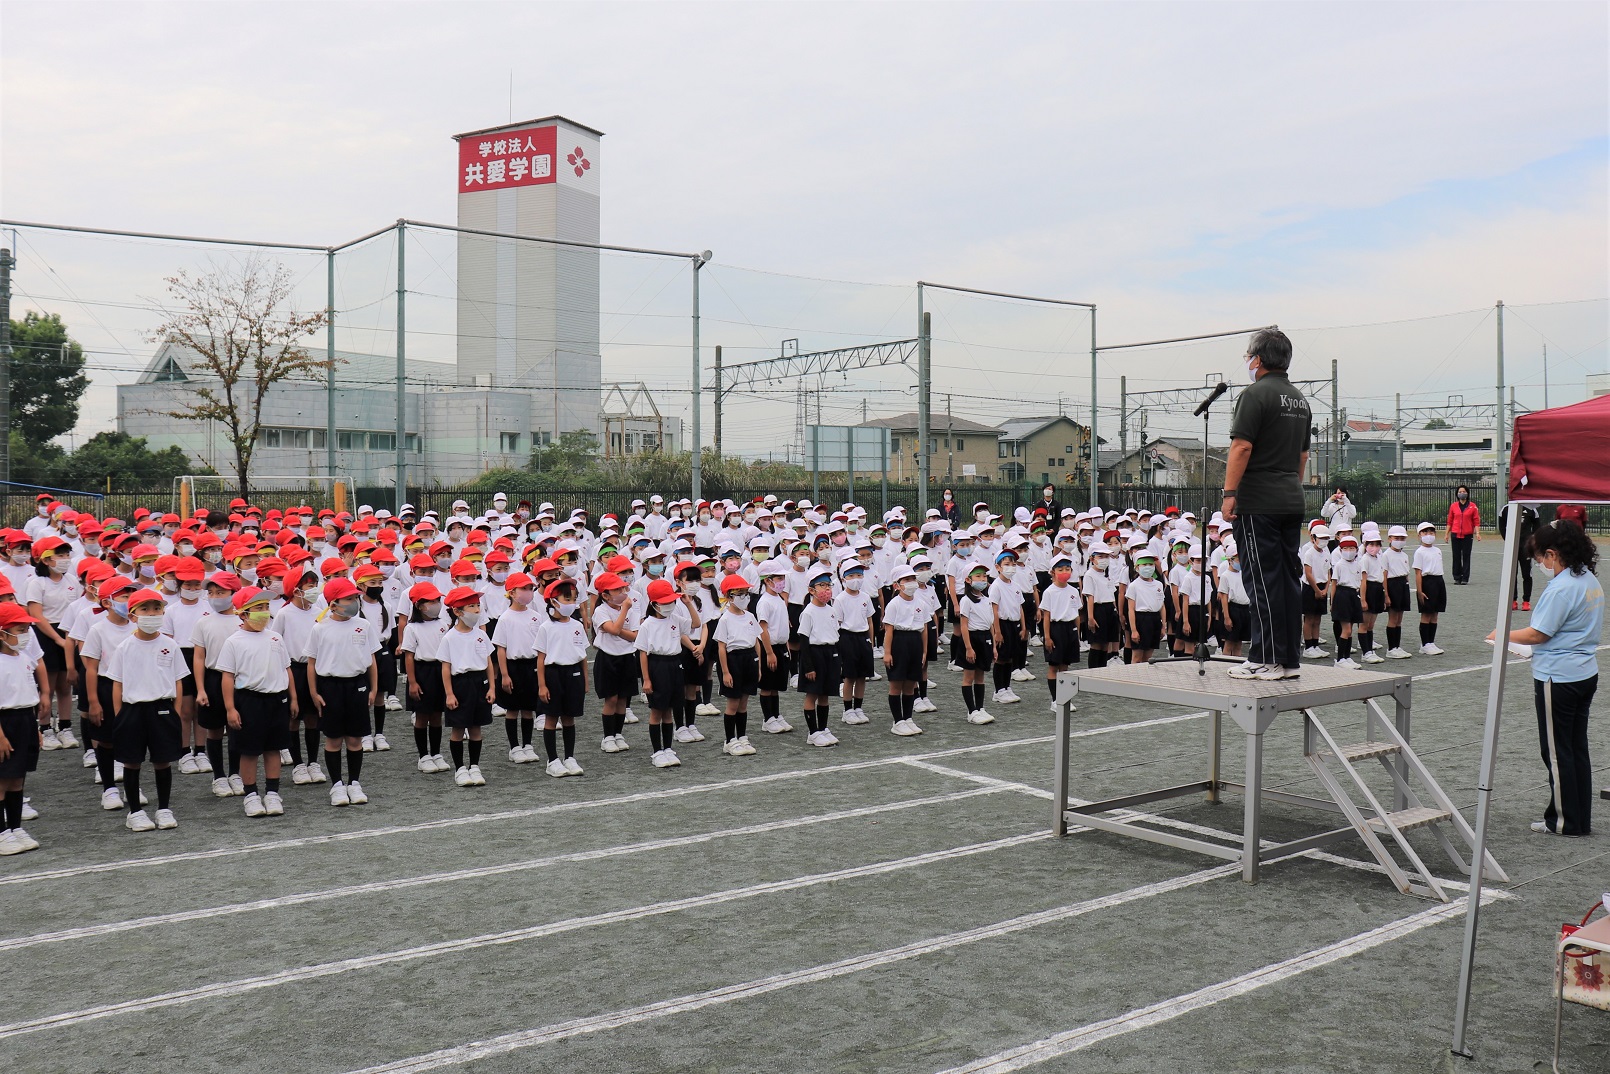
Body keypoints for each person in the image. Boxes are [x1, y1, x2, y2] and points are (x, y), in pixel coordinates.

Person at [1490, 520, 1601, 837]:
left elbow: (1538, 633)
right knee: (1576, 748)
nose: (1540, 565)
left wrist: (1502, 636)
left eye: (1540, 559)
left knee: (1556, 751)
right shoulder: (1587, 579)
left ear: (1552, 554)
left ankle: (1564, 821)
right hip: (1583, 671)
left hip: (1559, 676)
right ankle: (1578, 817)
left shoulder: (1563, 587)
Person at [1221, 328, 1313, 681]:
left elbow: (1241, 447)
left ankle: (1264, 657)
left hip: (1259, 501)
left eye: (1248, 356)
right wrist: (1289, 484)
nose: (1247, 361)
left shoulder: (1255, 394)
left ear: (1257, 359)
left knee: (1261, 580)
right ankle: (1288, 660)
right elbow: (1303, 455)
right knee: (1289, 580)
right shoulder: (1298, 399)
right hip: (1291, 497)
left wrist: (1230, 494)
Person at [1498, 503, 1541, 610]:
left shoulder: (1532, 509)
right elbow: (1502, 526)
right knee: (1512, 574)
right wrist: (1508, 540)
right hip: (1512, 547)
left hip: (1526, 548)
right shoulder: (1506, 509)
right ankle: (1513, 600)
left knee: (1527, 574)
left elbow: (1537, 526)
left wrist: (1531, 541)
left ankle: (1526, 601)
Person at [1447, 485, 1481, 585]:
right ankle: (1457, 577)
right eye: (1460, 491)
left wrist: (1477, 533)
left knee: (1466, 556)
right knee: (1456, 556)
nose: (1462, 493)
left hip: (1467, 535)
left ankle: (1465, 578)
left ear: (1467, 493)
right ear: (1457, 494)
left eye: (1464, 491)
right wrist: (1446, 534)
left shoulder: (1473, 506)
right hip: (1455, 534)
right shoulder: (1453, 506)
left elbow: (1476, 521)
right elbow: (1450, 520)